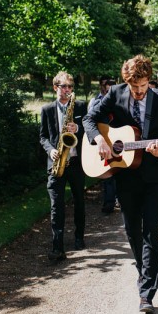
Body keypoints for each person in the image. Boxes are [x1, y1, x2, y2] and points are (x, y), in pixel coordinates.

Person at [83, 55, 158, 314]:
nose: (138, 92)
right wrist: (98, 140)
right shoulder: (115, 93)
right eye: (134, 87)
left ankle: (146, 292)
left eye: (143, 87)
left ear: (149, 81)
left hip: (155, 176)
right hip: (125, 173)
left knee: (151, 232)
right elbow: (89, 120)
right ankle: (144, 269)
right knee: (132, 229)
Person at [40, 72, 88, 262]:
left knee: (79, 202)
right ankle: (57, 246)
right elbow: (43, 136)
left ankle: (79, 238)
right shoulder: (47, 109)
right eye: (63, 86)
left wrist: (79, 129)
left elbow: (90, 129)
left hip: (76, 162)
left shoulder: (81, 106)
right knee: (56, 206)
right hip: (57, 163)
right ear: (55, 88)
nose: (67, 90)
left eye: (70, 87)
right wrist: (50, 150)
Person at [88, 76, 118, 214]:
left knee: (120, 169)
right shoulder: (95, 101)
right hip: (103, 139)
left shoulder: (118, 99)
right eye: (107, 84)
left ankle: (120, 199)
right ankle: (109, 203)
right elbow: (90, 121)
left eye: (112, 83)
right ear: (101, 85)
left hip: (118, 138)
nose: (110, 86)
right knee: (107, 173)